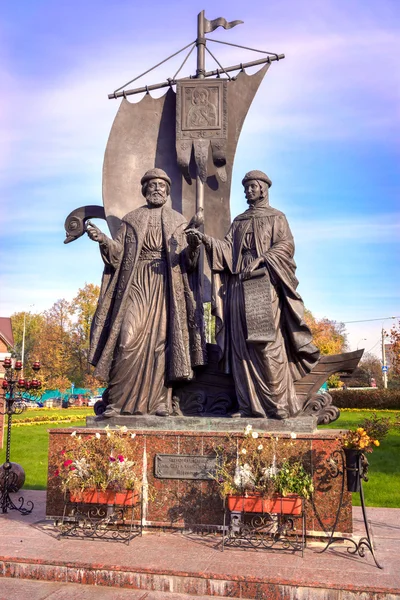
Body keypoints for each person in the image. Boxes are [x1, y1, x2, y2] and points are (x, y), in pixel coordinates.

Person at [186, 170, 319, 419]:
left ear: (263, 189)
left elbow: (285, 246)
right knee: (240, 347)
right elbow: (227, 248)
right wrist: (205, 240)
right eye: (245, 187)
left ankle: (277, 405)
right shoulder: (239, 220)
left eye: (252, 186)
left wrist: (262, 259)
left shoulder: (277, 217)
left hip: (262, 284)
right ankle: (247, 406)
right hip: (237, 286)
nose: (248, 191)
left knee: (265, 345)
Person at [88, 168, 206, 417]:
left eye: (161, 186)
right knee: (126, 339)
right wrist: (103, 240)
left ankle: (161, 402)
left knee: (162, 343)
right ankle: (116, 403)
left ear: (167, 191)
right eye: (151, 185)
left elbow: (187, 262)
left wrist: (194, 245)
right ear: (144, 190)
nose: (156, 189)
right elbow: (118, 254)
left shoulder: (177, 221)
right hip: (136, 283)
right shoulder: (132, 219)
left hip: (166, 287)